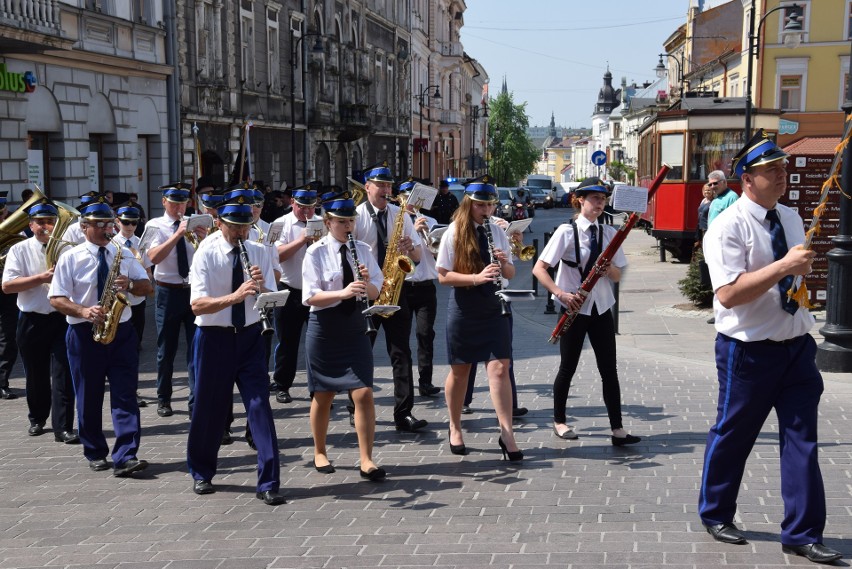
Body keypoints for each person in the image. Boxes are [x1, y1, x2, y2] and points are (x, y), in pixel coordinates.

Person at [697, 130, 841, 564]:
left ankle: (802, 532)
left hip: (796, 347)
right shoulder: (727, 226)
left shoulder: (791, 218)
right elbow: (727, 295)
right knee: (733, 434)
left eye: (781, 168)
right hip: (749, 350)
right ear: (747, 179)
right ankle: (716, 512)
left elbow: (792, 275)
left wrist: (798, 283)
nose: (781, 175)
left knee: (803, 440)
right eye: (770, 171)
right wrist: (783, 267)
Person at [186, 194, 285, 505]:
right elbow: (197, 305)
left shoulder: (258, 250)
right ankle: (201, 472)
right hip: (213, 337)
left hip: (250, 336)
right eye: (235, 228)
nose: (242, 233)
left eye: (246, 227)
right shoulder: (205, 252)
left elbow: (270, 293)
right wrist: (235, 295)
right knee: (209, 408)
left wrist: (263, 288)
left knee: (259, 406)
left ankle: (268, 482)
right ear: (220, 223)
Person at [532, 177, 640, 446]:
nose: (599, 204)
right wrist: (560, 294)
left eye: (603, 199)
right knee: (568, 367)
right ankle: (559, 421)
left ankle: (617, 428)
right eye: (594, 199)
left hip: (601, 307)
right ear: (580, 200)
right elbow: (539, 269)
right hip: (574, 308)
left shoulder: (609, 234)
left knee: (609, 370)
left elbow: (616, 276)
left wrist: (607, 270)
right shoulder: (566, 232)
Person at [48, 198, 153, 475]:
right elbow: (56, 299)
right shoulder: (70, 257)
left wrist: (129, 284)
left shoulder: (124, 252)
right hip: (84, 333)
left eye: (110, 223)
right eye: (100, 224)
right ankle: (95, 451)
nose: (108, 229)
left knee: (125, 394)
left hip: (122, 331)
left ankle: (126, 455)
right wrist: (83, 310)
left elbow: (146, 287)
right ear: (84, 227)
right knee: (88, 394)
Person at [436, 175, 522, 462]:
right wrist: (476, 277)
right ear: (469, 204)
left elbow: (510, 274)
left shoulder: (496, 231)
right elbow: (443, 275)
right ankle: (454, 425)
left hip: (494, 305)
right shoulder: (453, 232)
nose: (487, 211)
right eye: (481, 206)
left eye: (491, 205)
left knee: (499, 368)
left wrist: (504, 262)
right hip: (465, 306)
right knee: (461, 370)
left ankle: (507, 432)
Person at [302, 190, 386, 481]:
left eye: (351, 220)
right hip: (325, 327)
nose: (348, 226)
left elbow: (377, 287)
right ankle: (320, 450)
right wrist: (343, 292)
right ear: (328, 222)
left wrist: (366, 283)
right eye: (342, 222)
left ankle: (367, 459)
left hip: (355, 324)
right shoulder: (315, 252)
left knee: (363, 392)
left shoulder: (362, 249)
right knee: (323, 394)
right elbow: (310, 296)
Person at [353, 162, 427, 433]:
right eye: (380, 185)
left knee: (401, 353)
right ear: (367, 187)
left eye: (388, 186)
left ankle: (404, 412)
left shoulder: (400, 214)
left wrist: (409, 247)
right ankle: (355, 407)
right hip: (367, 292)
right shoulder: (357, 215)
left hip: (396, 289)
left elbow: (417, 257)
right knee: (361, 351)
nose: (386, 190)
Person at [2, 199, 77, 442]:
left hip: (62, 319)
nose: (46, 226)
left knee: (63, 372)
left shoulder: (67, 249)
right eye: (41, 222)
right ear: (31, 225)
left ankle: (63, 426)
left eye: (51, 222)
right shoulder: (19, 249)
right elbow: (7, 286)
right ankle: (37, 417)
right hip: (32, 319)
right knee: (35, 374)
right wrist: (42, 277)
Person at [146, 182, 209, 418]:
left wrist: (203, 239)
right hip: (167, 292)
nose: (178, 207)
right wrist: (178, 234)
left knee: (196, 348)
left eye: (182, 202)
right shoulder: (154, 225)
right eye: (174, 202)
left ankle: (195, 402)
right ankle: (164, 399)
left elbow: (208, 257)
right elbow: (154, 257)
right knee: (166, 349)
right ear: (164, 202)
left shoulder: (198, 222)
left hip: (193, 291)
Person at [272, 181, 321, 404]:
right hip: (289, 290)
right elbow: (277, 255)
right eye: (302, 206)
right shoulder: (281, 224)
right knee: (287, 342)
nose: (307, 211)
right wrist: (302, 239)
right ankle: (282, 385)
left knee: (317, 344)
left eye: (311, 207)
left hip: (315, 293)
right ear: (292, 202)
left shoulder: (322, 222)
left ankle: (318, 389)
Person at [398, 179, 441, 397]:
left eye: (415, 199)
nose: (412, 203)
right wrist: (413, 231)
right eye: (407, 198)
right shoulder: (397, 220)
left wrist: (429, 238)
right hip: (403, 287)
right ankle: (405, 384)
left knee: (426, 334)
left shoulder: (431, 220)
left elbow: (439, 255)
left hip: (426, 286)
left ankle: (426, 381)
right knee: (402, 338)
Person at [115, 203, 153, 352]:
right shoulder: (113, 243)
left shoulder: (141, 243)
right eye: (125, 222)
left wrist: (146, 280)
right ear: (117, 221)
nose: (130, 226)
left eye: (134, 223)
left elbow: (148, 269)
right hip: (120, 297)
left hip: (138, 298)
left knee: (137, 337)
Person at [0, 191, 19, 400]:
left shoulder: (16, 235)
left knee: (8, 338)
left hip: (7, 292)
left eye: (2, 213)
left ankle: (2, 381)